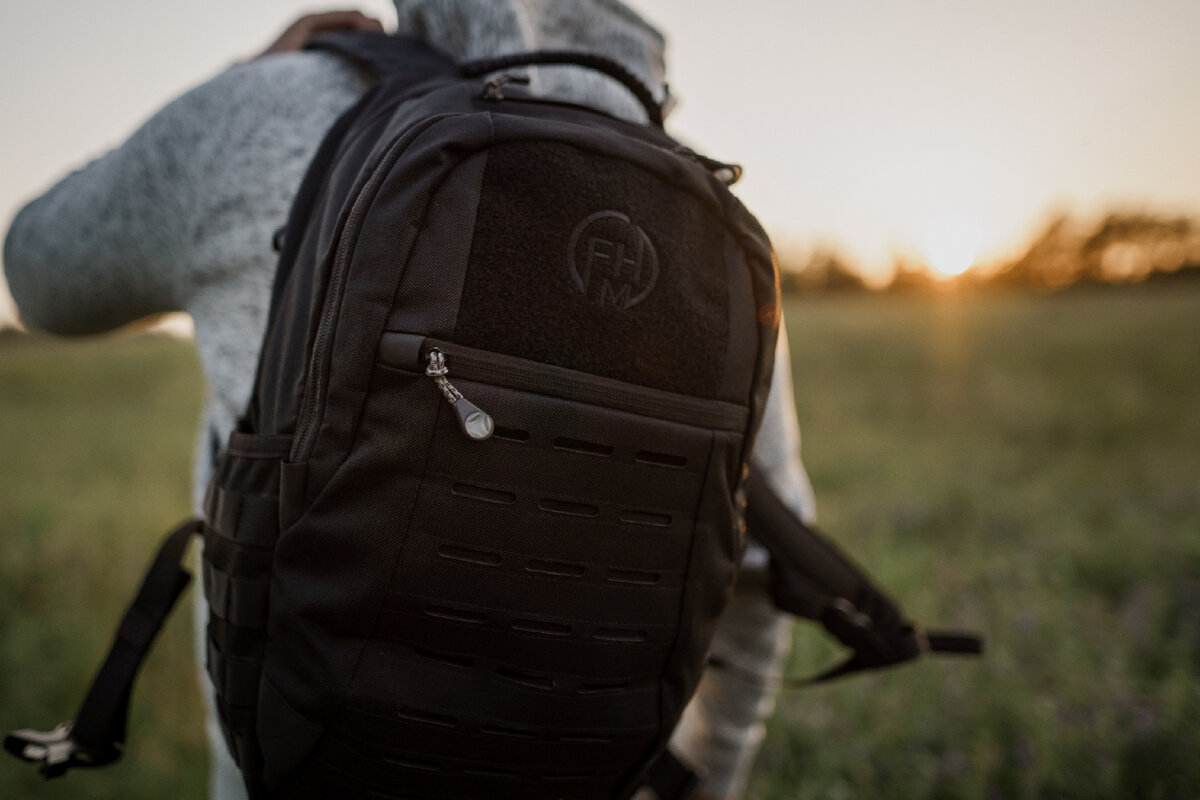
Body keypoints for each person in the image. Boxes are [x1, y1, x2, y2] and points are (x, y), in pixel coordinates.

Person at [3, 2, 817, 798]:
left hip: (308, 757)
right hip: (597, 768)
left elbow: (39, 273)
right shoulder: (690, 202)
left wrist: (245, 78)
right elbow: (759, 565)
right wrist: (714, 777)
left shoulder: (261, 110)